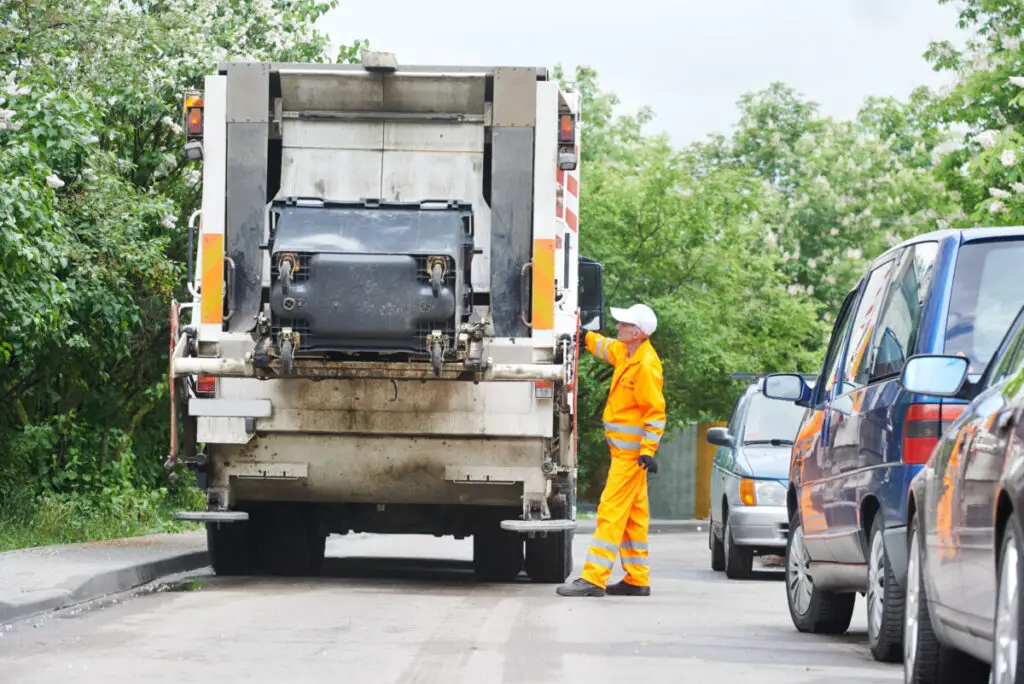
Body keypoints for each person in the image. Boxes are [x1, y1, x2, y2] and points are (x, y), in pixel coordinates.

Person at [557, 303, 666, 597]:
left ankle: (594, 578)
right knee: (633, 517)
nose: (617, 327)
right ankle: (637, 578)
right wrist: (585, 337)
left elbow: (655, 413)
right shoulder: (628, 353)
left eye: (623, 324)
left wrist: (648, 450)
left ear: (637, 333)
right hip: (625, 454)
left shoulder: (645, 365)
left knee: (611, 512)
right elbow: (606, 347)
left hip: (631, 458)